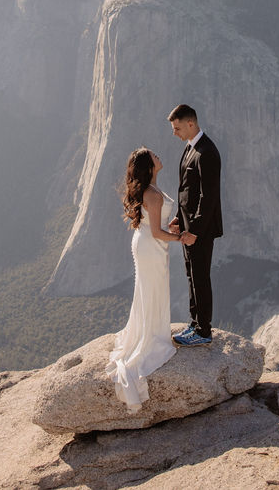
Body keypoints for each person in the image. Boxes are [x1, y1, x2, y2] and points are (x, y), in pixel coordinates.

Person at [106, 147, 182, 412]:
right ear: (149, 165)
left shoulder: (151, 189)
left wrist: (169, 228)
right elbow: (158, 234)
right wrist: (180, 237)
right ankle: (151, 337)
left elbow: (156, 224)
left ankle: (149, 331)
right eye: (154, 155)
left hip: (147, 243)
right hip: (151, 246)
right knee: (153, 290)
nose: (159, 156)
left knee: (149, 290)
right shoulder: (151, 192)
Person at [167, 104, 222, 346]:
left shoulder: (207, 152)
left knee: (200, 276)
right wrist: (180, 217)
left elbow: (207, 197)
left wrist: (195, 232)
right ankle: (195, 321)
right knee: (191, 275)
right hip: (189, 227)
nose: (174, 133)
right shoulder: (191, 149)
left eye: (177, 128)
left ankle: (203, 331)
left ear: (191, 123)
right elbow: (187, 191)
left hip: (200, 230)